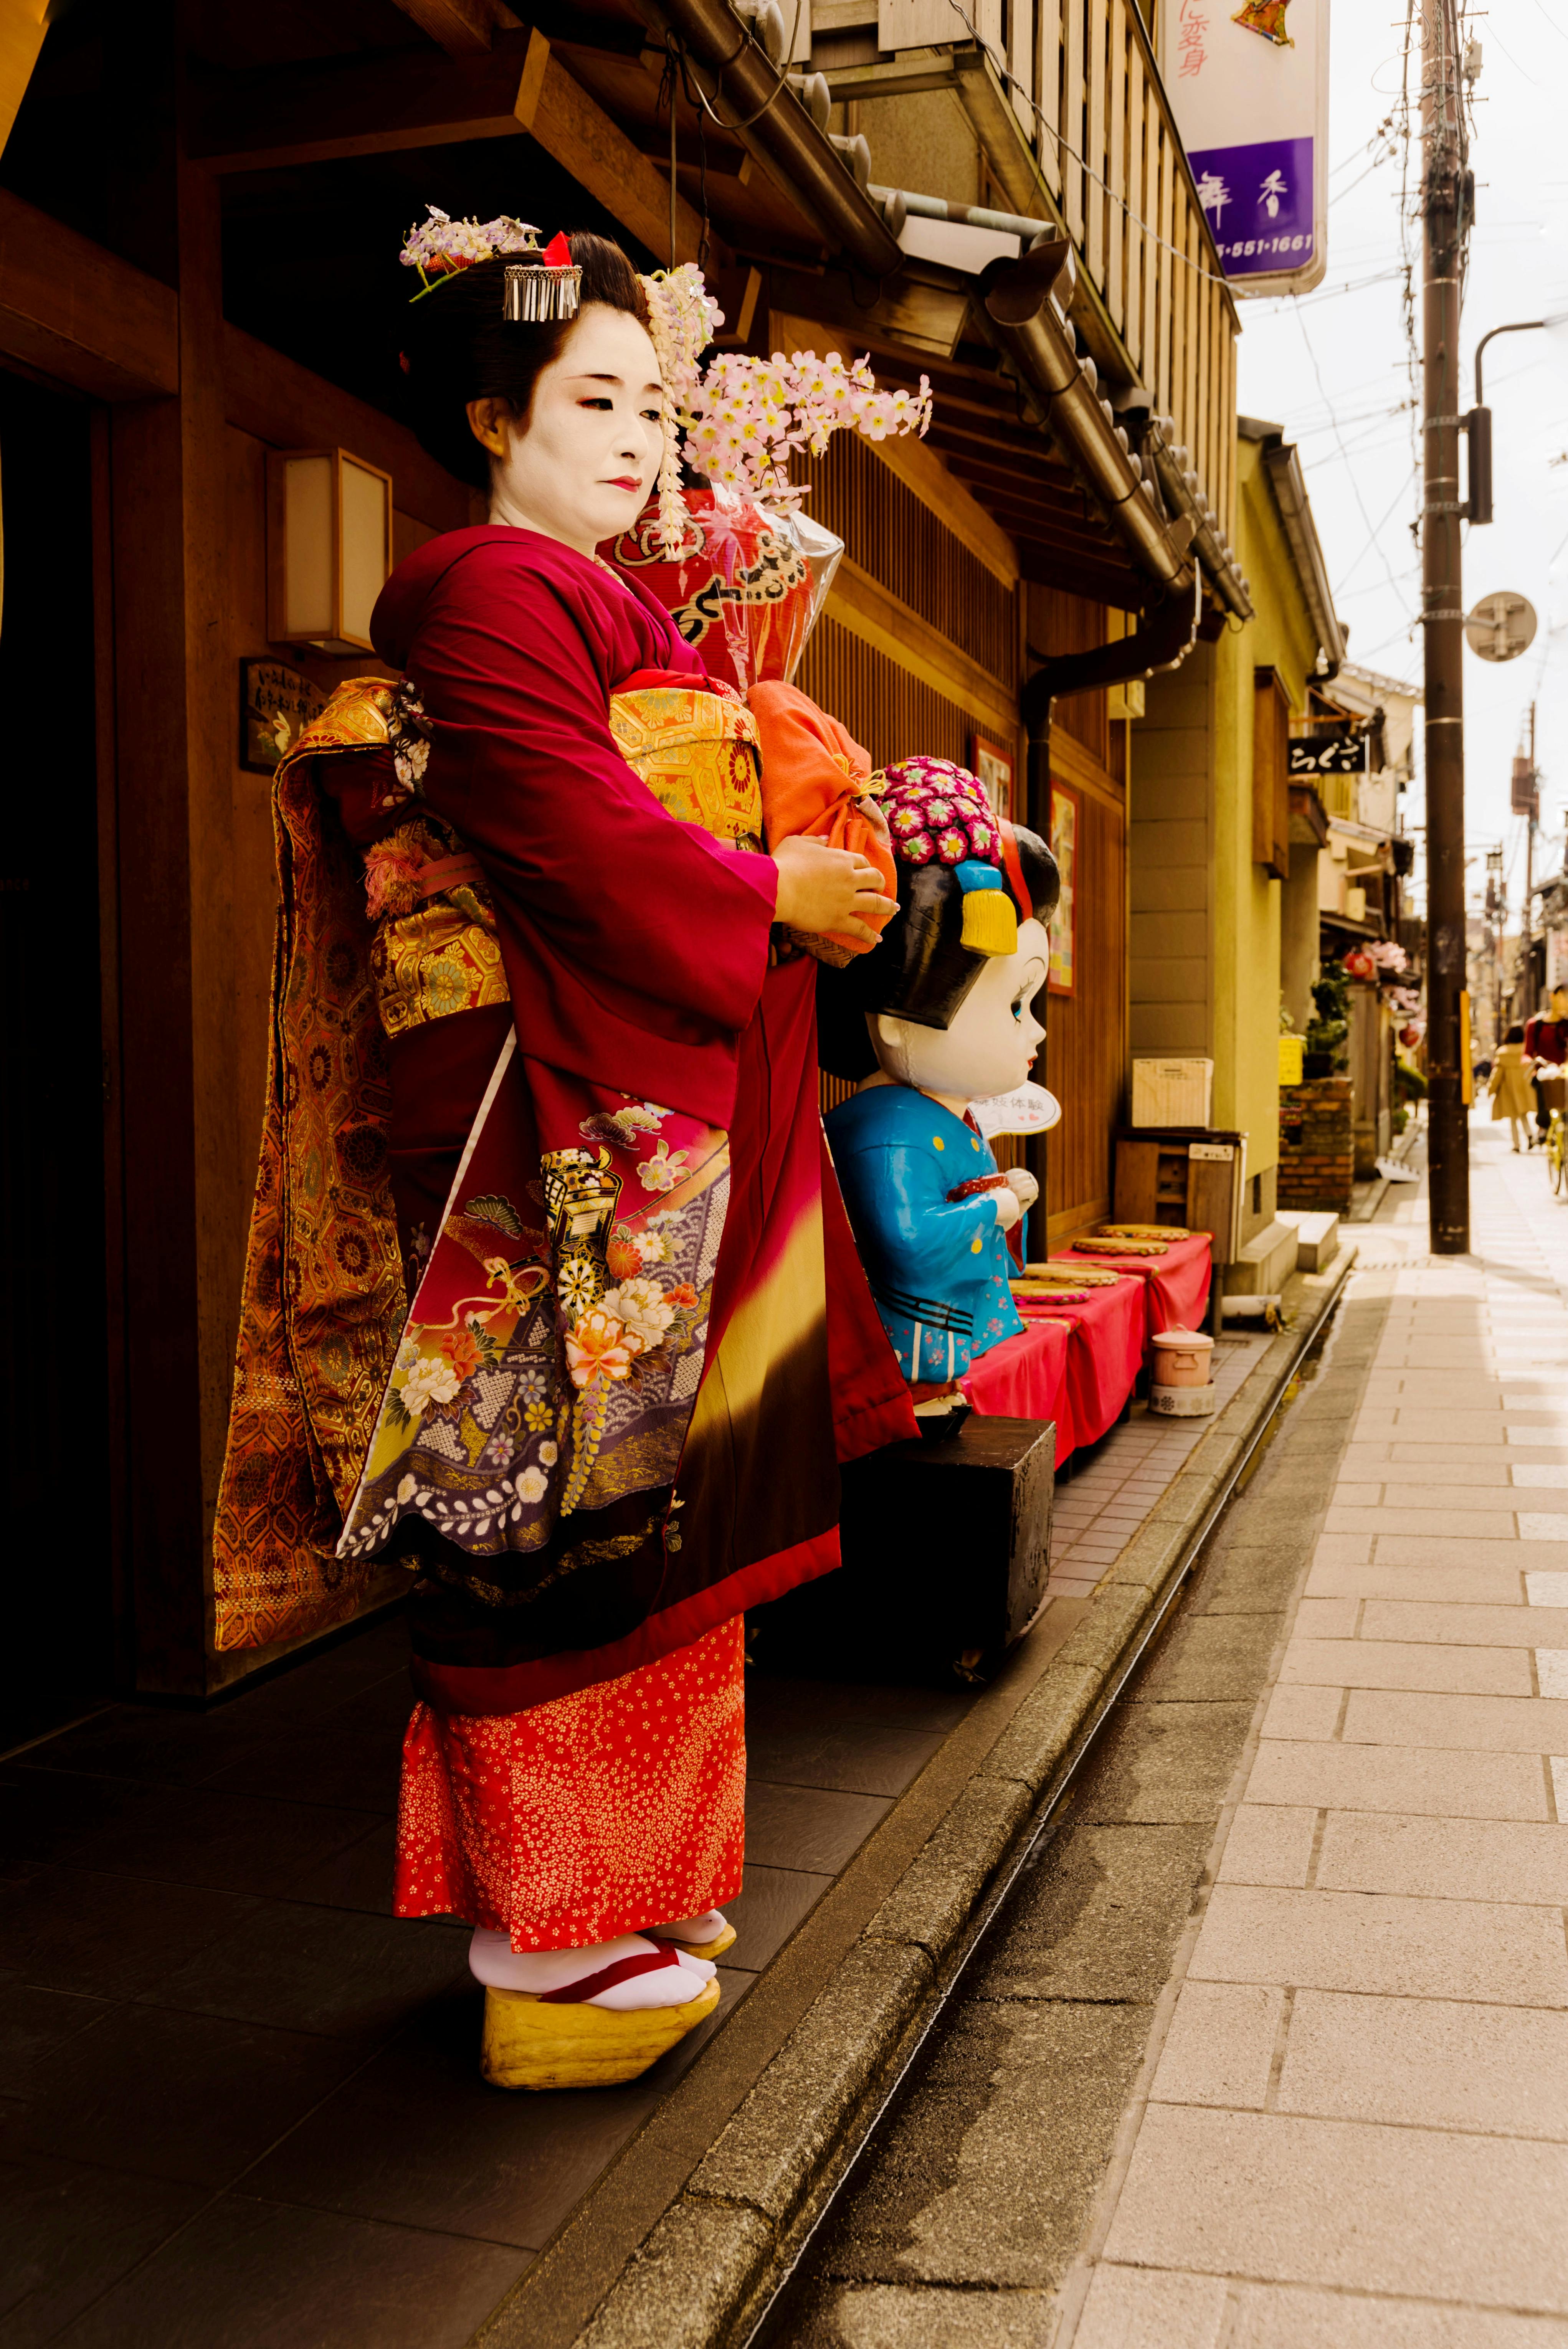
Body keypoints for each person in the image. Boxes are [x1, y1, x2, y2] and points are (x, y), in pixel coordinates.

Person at [214, 222, 914, 2090]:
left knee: (642, 1519)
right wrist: (775, 883)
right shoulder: (484, 594)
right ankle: (547, 1941)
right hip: (553, 1130)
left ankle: (627, 1897)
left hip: (618, 1106)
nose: (634, 438)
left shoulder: (598, 604)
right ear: (484, 417)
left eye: (652, 406)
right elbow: (563, 822)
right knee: (555, 1516)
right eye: (590, 400)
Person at [1488, 1022, 1537, 1151]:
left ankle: (1516, 1145)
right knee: (1524, 1115)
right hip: (1525, 1087)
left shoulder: (1503, 1053)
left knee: (1513, 1118)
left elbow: (1497, 1074)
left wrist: (1491, 1088)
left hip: (1509, 1089)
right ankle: (1530, 1135)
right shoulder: (1526, 1050)